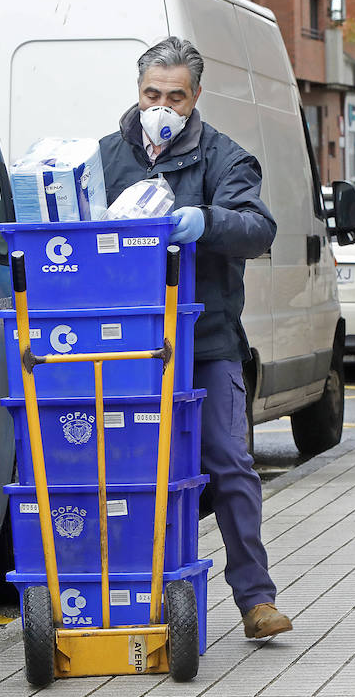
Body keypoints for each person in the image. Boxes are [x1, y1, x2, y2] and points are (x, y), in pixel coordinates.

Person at [98, 36, 291, 640]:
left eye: (175, 96)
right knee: (119, 471)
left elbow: (259, 229)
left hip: (205, 342)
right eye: (152, 94)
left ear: (196, 96)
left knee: (230, 463)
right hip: (124, 346)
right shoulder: (106, 158)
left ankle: (256, 600)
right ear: (137, 92)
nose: (162, 106)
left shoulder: (224, 158)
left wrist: (204, 222)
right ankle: (118, 593)